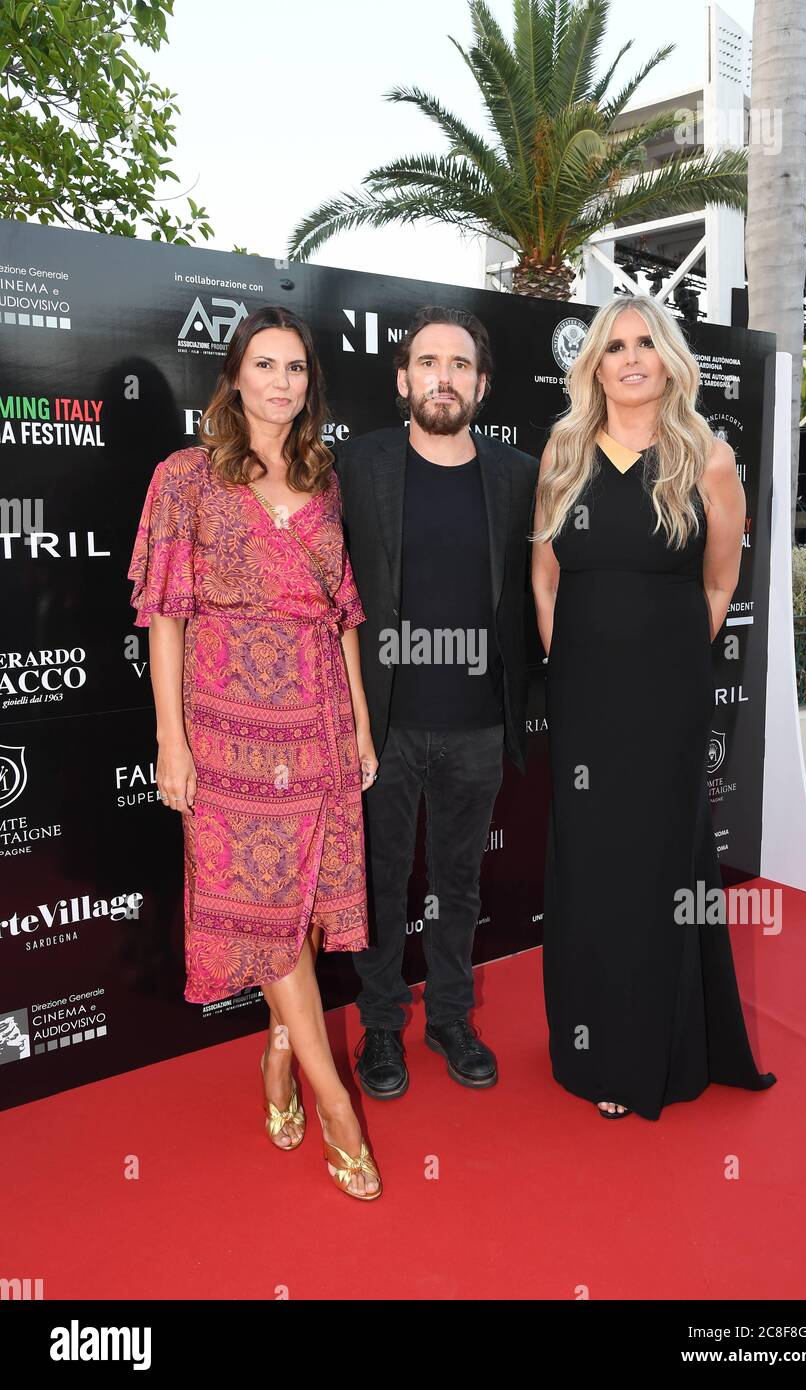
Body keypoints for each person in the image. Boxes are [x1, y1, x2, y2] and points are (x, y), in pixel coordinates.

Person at [128, 306, 382, 1198]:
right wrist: (170, 737)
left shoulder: (322, 474)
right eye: (265, 365)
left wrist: (354, 719)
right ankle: (335, 1105)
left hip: (314, 716)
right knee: (262, 898)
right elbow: (165, 613)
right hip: (227, 726)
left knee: (305, 897)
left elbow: (340, 610)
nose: (283, 382)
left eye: (298, 369)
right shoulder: (185, 479)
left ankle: (279, 1052)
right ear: (234, 376)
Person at [531, 292, 777, 1121]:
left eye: (646, 343)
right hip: (583, 692)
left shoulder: (706, 455)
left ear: (670, 358)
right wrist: (570, 659)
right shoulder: (564, 451)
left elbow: (719, 580)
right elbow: (545, 575)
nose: (631, 359)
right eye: (614, 346)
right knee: (594, 862)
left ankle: (655, 1050)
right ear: (594, 363)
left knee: (660, 861)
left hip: (667, 695)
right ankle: (595, 1039)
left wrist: (669, 660)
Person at [334, 305, 539, 1098]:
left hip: (479, 723)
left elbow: (547, 585)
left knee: (460, 882)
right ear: (402, 379)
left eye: (458, 365)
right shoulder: (361, 467)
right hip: (382, 723)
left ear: (481, 384)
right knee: (381, 883)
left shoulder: (518, 475)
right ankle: (381, 1026)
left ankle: (452, 1014)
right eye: (428, 363)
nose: (442, 378)